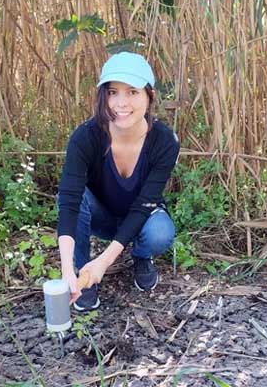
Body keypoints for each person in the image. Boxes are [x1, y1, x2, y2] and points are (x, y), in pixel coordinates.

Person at [56, 52, 180, 311]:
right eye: (113, 92)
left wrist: (105, 261)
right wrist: (66, 269)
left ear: (149, 95)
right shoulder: (86, 137)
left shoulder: (165, 142)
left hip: (143, 218)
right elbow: (69, 202)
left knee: (160, 233)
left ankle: (140, 256)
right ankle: (82, 275)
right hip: (101, 216)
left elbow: (145, 204)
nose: (120, 103)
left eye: (132, 92)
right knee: (72, 198)